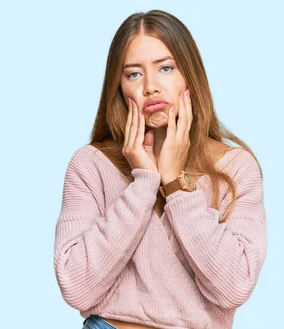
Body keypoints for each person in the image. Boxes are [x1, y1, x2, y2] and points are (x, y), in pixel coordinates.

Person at [54, 9, 267, 329]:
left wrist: (175, 183)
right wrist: (144, 182)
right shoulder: (92, 165)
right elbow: (76, 287)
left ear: (189, 77)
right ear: (120, 88)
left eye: (165, 68)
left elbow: (233, 288)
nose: (150, 86)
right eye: (134, 74)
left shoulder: (235, 169)